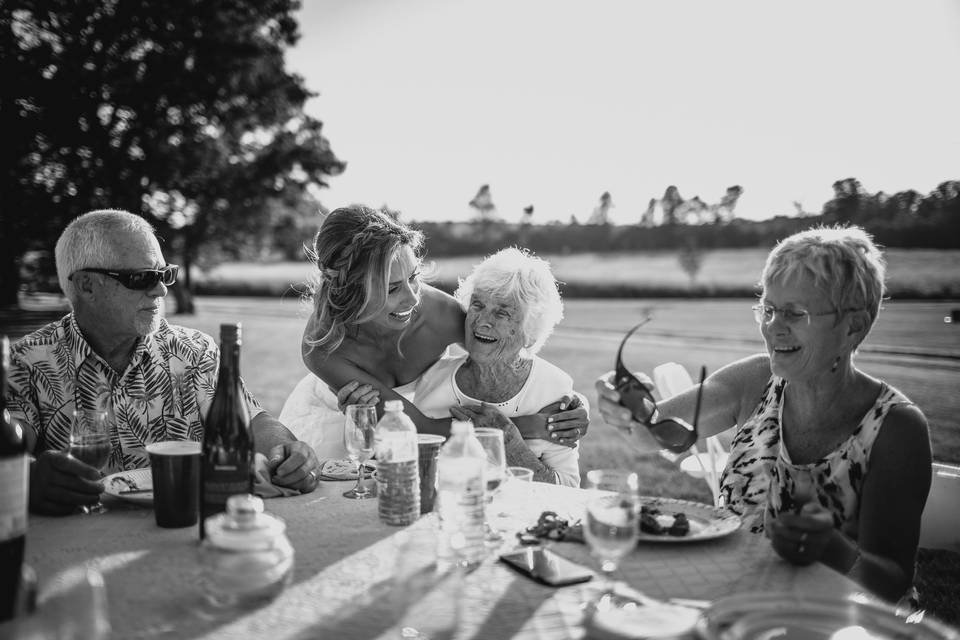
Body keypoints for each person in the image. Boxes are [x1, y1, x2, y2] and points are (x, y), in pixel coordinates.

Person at [594, 225, 931, 603]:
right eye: (768, 309)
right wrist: (629, 402)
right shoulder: (755, 380)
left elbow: (893, 579)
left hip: (839, 620)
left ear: (853, 324)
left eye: (794, 313)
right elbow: (648, 434)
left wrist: (832, 549)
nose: (773, 327)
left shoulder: (896, 427)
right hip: (733, 598)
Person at [7, 209, 320, 516]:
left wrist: (287, 451)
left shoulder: (194, 351)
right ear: (87, 285)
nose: (161, 289)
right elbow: (8, 449)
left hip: (181, 533)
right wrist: (28, 477)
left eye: (164, 274)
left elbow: (253, 423)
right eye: (141, 278)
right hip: (75, 550)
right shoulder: (27, 362)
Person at [296, 205, 589, 458]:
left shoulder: (439, 313)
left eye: (414, 278)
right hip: (341, 426)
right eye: (393, 288)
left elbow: (510, 353)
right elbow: (420, 430)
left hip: (432, 432)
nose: (413, 299)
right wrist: (530, 425)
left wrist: (569, 402)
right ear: (349, 288)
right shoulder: (322, 348)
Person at [411, 247, 580, 486]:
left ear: (530, 332)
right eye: (478, 305)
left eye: (502, 313)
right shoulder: (433, 379)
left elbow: (570, 489)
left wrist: (512, 447)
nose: (483, 321)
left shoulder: (554, 388)